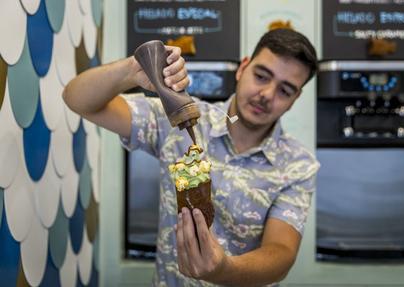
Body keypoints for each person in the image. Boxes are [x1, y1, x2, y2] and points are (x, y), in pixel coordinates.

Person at [63, 28, 319, 287]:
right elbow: (78, 100)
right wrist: (132, 71)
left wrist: (223, 270)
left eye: (285, 91)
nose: (266, 94)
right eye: (262, 76)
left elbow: (281, 252)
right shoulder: (178, 117)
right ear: (243, 68)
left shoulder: (298, 165)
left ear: (295, 98)